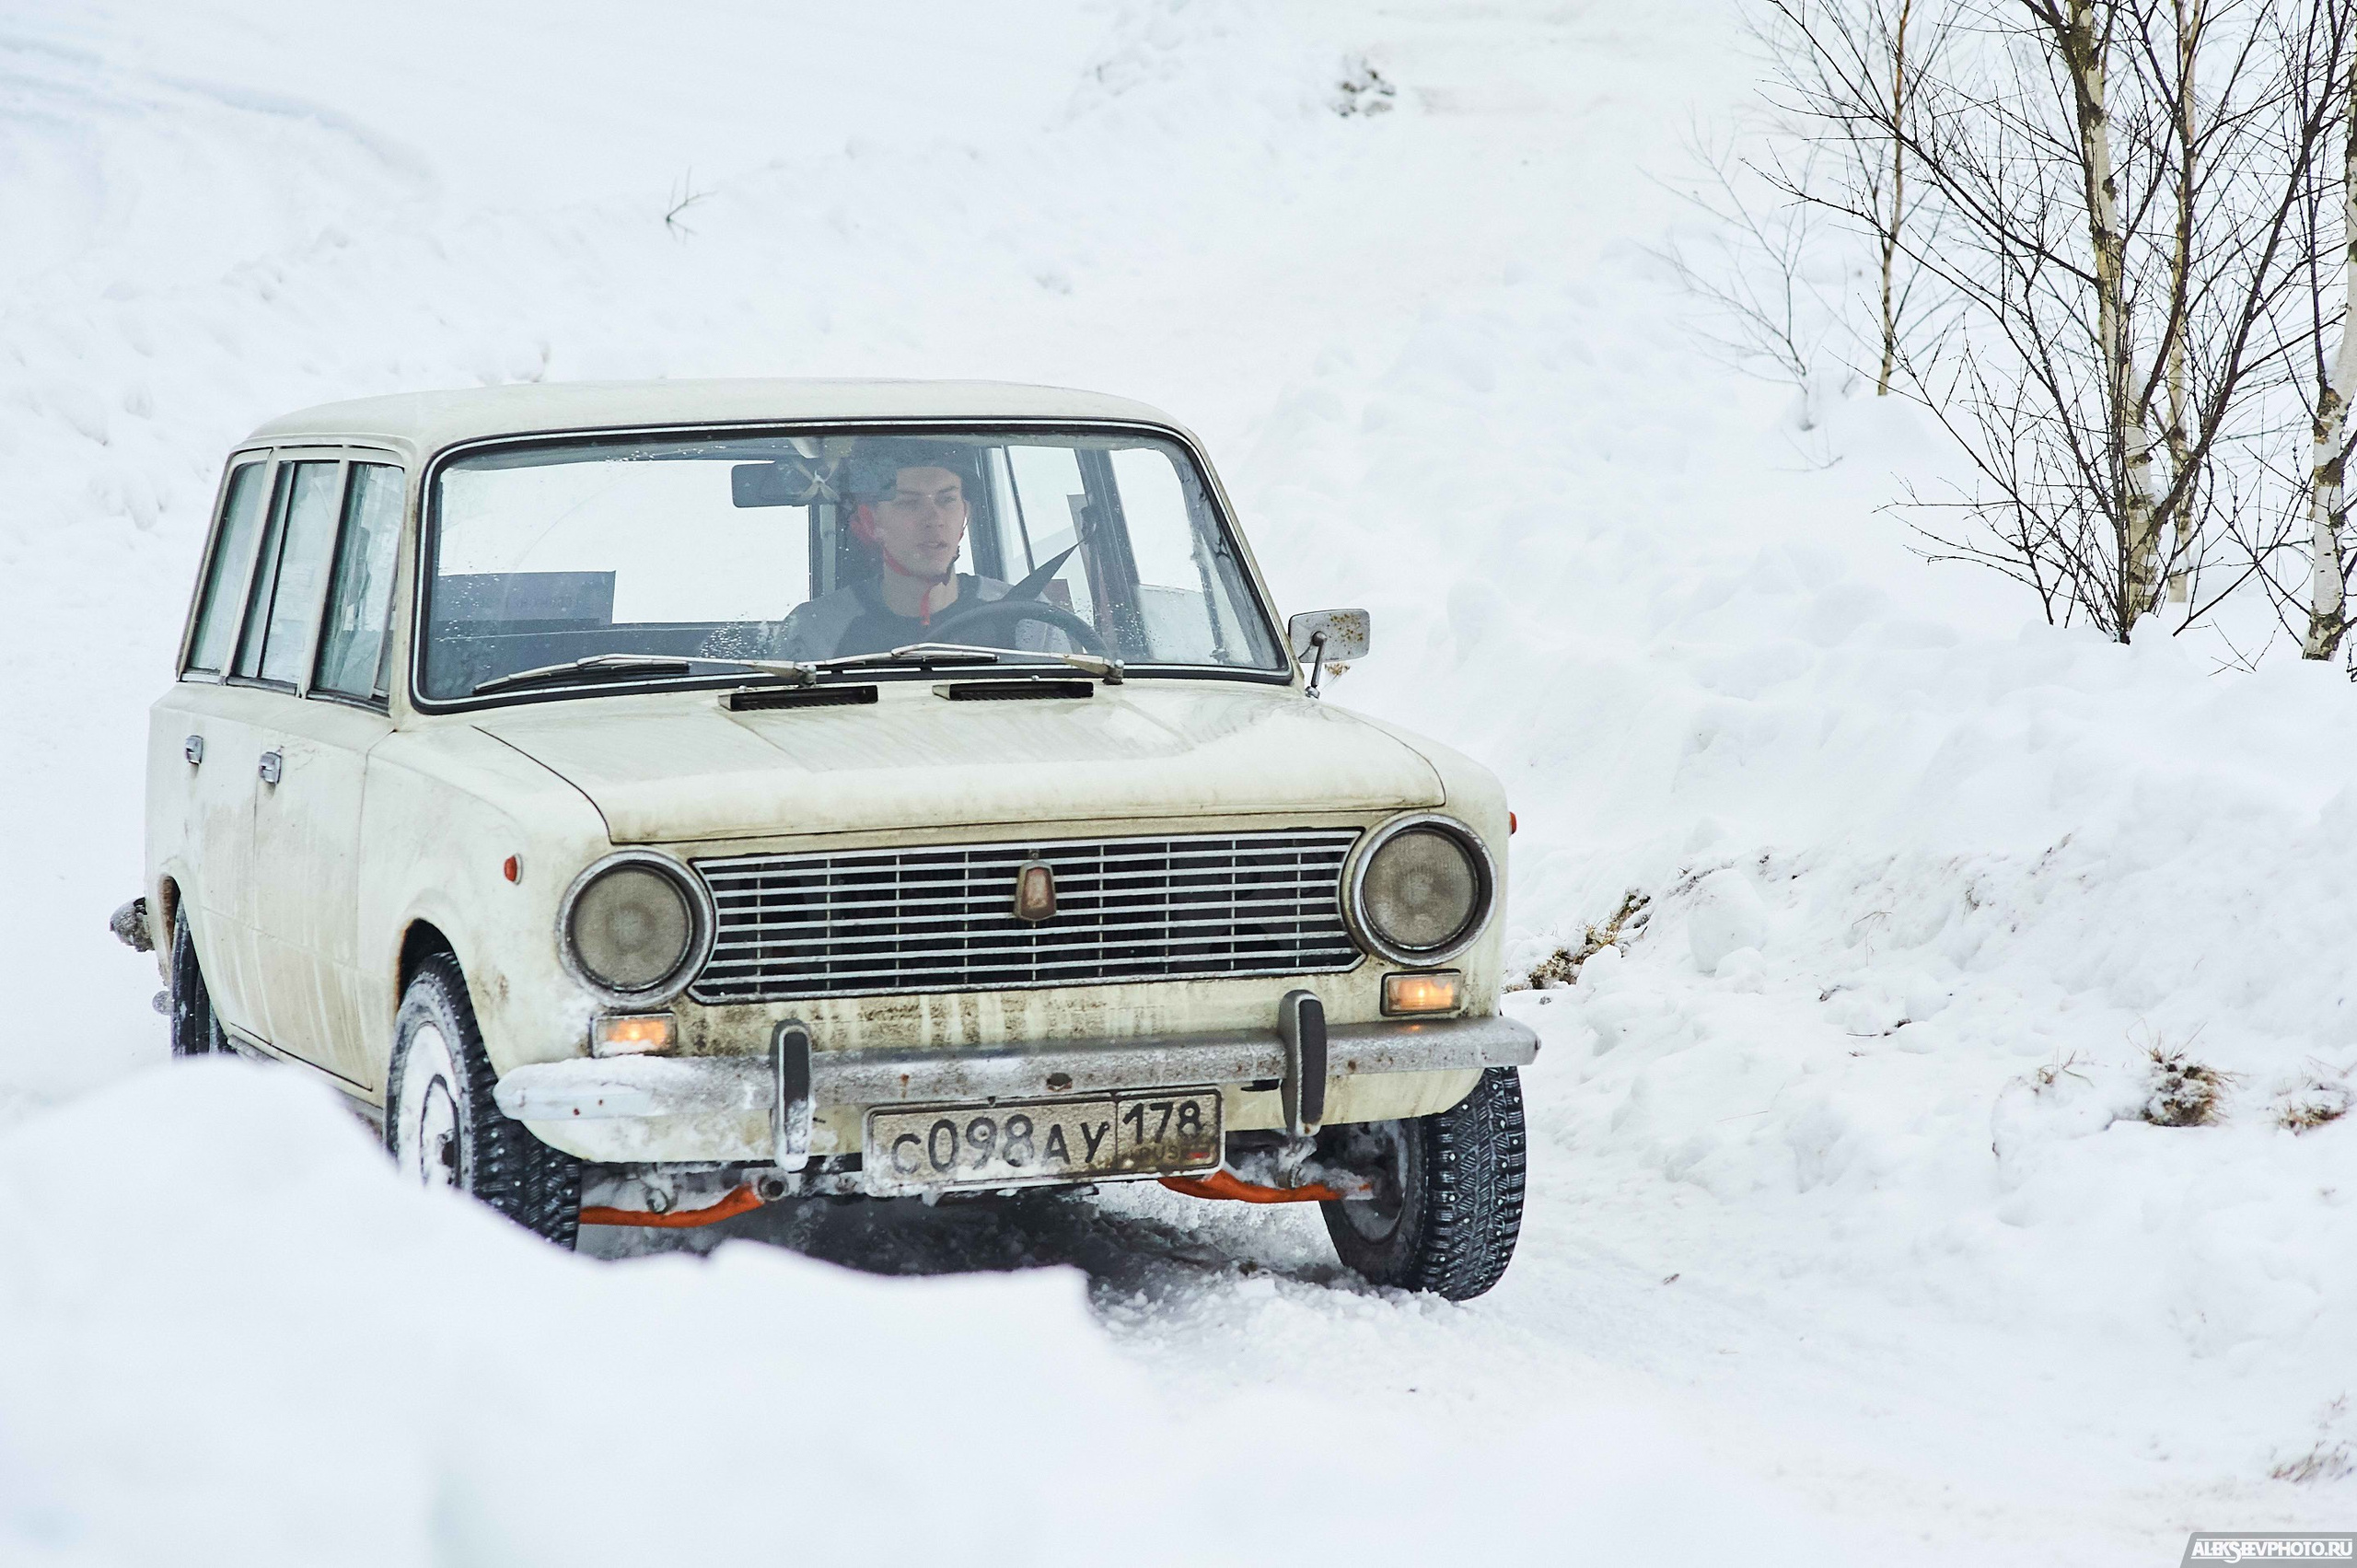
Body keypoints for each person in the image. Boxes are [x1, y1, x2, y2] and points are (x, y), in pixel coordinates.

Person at [726, 441, 1061, 661]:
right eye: (908, 503)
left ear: (965, 514)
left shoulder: (1027, 615)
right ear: (870, 523)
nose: (934, 519)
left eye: (947, 500)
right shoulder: (816, 629)